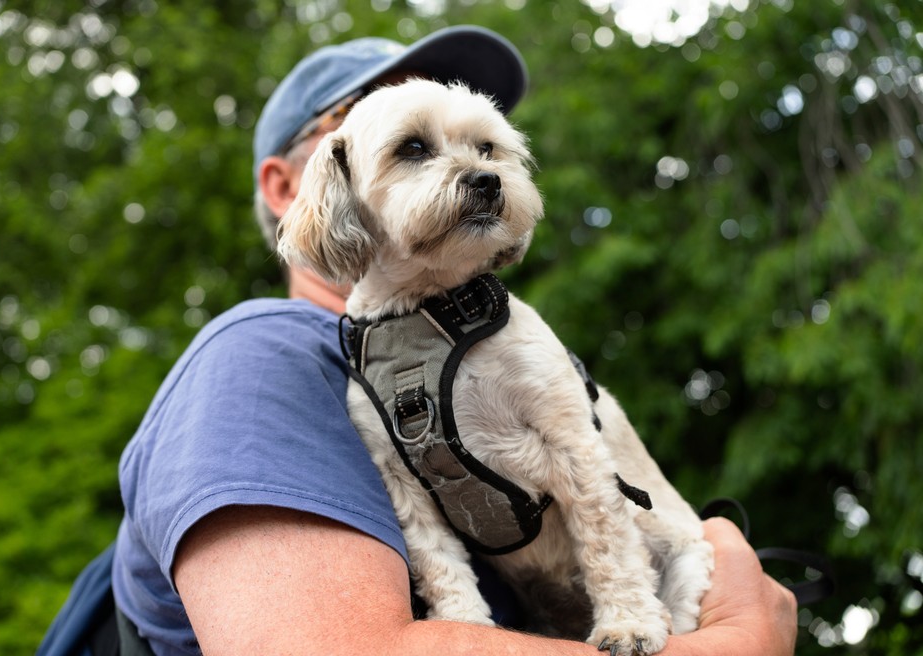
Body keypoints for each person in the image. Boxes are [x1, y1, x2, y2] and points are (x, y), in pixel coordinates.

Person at [103, 25, 798, 656]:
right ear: (294, 181)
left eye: (483, 142)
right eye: (408, 140)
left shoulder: (487, 336)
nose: (475, 172)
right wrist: (739, 644)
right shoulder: (260, 356)